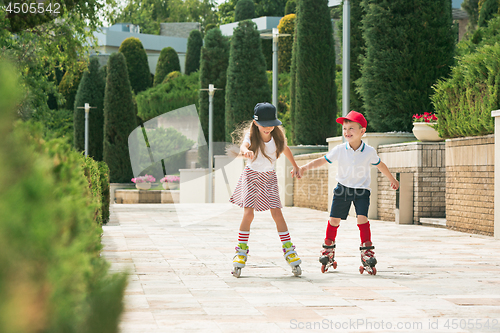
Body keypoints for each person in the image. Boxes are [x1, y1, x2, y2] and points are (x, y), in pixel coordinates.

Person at [298, 111, 399, 275]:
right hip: (343, 189)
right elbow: (323, 160)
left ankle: (367, 251)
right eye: (345, 128)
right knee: (334, 220)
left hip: (362, 190)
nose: (347, 132)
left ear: (362, 131)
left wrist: (392, 179)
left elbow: (380, 165)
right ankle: (328, 251)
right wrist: (304, 167)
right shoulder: (339, 149)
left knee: (362, 218)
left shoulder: (369, 151)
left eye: (351, 128)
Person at [229, 102, 302, 278]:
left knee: (277, 213)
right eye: (264, 124)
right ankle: (241, 250)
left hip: (269, 178)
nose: (268, 128)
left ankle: (289, 249)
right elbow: (243, 146)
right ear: (255, 123)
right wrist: (246, 152)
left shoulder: (276, 137)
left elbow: (286, 149)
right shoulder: (251, 135)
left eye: (271, 124)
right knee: (249, 214)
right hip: (251, 176)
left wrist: (295, 166)